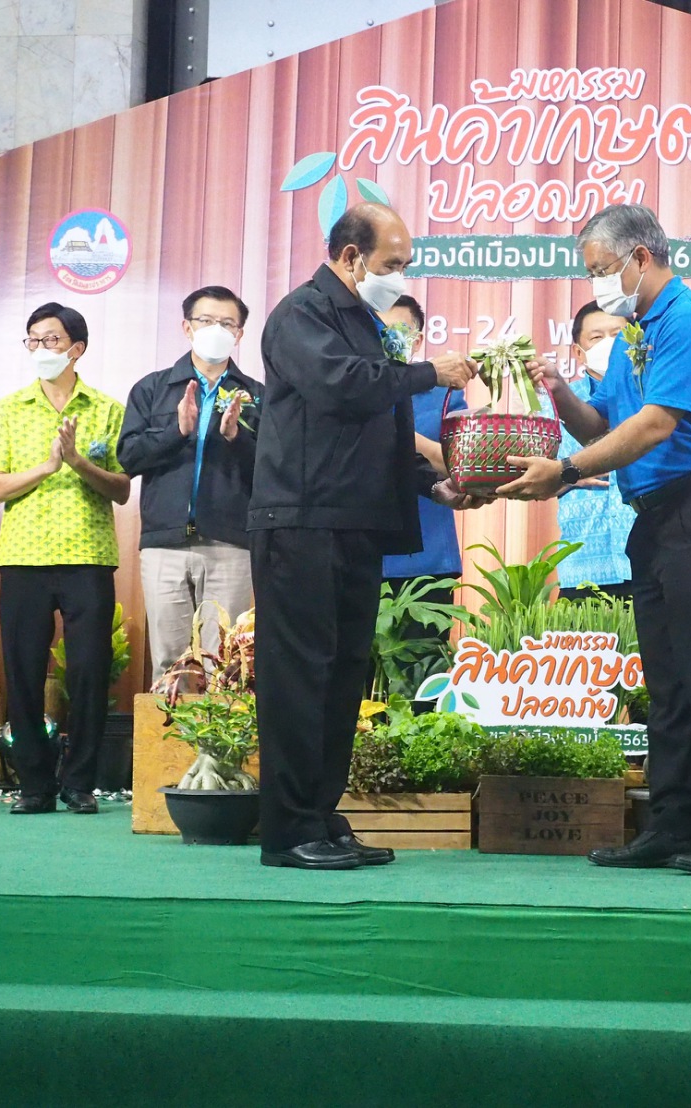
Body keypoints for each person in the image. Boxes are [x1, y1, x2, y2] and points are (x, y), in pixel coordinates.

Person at [501, 203, 691, 876]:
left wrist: (566, 473)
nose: (597, 283)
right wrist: (560, 392)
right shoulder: (635, 337)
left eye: (601, 268)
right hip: (655, 516)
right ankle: (674, 824)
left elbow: (656, 425)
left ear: (641, 257)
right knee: (668, 679)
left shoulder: (690, 320)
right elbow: (602, 426)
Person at [249, 202, 478, 870]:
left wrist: (431, 486)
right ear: (351, 258)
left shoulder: (367, 323)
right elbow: (340, 388)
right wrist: (429, 373)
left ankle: (321, 815)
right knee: (300, 677)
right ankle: (288, 830)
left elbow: (378, 432)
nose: (399, 276)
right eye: (392, 263)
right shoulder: (302, 314)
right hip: (301, 522)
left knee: (343, 674)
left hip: (355, 523)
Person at [0, 303, 130, 815]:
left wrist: (79, 462)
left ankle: (79, 783)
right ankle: (34, 785)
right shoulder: (9, 408)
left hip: (88, 556)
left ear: (76, 348)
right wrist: (47, 466)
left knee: (88, 673)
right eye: (33, 340)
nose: (41, 348)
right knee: (23, 673)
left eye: (52, 340)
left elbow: (122, 489)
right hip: (25, 557)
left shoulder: (107, 409)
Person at [119, 286, 262, 679]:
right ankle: (171, 724)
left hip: (231, 544)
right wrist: (177, 431)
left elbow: (273, 470)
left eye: (227, 323)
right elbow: (128, 457)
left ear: (239, 334)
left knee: (227, 662)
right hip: (164, 544)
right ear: (187, 327)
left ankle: (217, 724)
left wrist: (237, 438)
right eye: (206, 320)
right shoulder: (153, 388)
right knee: (170, 663)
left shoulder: (257, 395)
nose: (216, 329)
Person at [378, 295, 463, 642]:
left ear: (417, 340)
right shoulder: (350, 392)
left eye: (398, 330)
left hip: (427, 559)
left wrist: (403, 436)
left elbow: (458, 466)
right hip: (358, 557)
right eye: (378, 330)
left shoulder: (443, 394)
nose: (387, 338)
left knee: (423, 667)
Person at [555, 301, 633, 602]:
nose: (609, 344)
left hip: (649, 560)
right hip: (582, 563)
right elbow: (532, 475)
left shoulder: (654, 397)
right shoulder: (557, 403)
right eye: (597, 337)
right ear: (578, 351)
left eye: (618, 335)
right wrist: (569, 475)